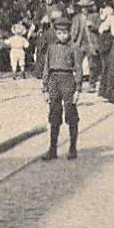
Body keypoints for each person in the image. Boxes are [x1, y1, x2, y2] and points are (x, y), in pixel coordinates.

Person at [40, 16, 80, 160]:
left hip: (68, 80)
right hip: (53, 81)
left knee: (71, 113)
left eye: (65, 32)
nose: (62, 35)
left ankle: (72, 148)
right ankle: (52, 149)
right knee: (54, 114)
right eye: (59, 33)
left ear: (69, 32)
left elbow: (78, 69)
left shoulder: (74, 47)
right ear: (55, 33)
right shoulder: (51, 48)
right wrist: (45, 88)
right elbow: (47, 68)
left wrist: (78, 89)